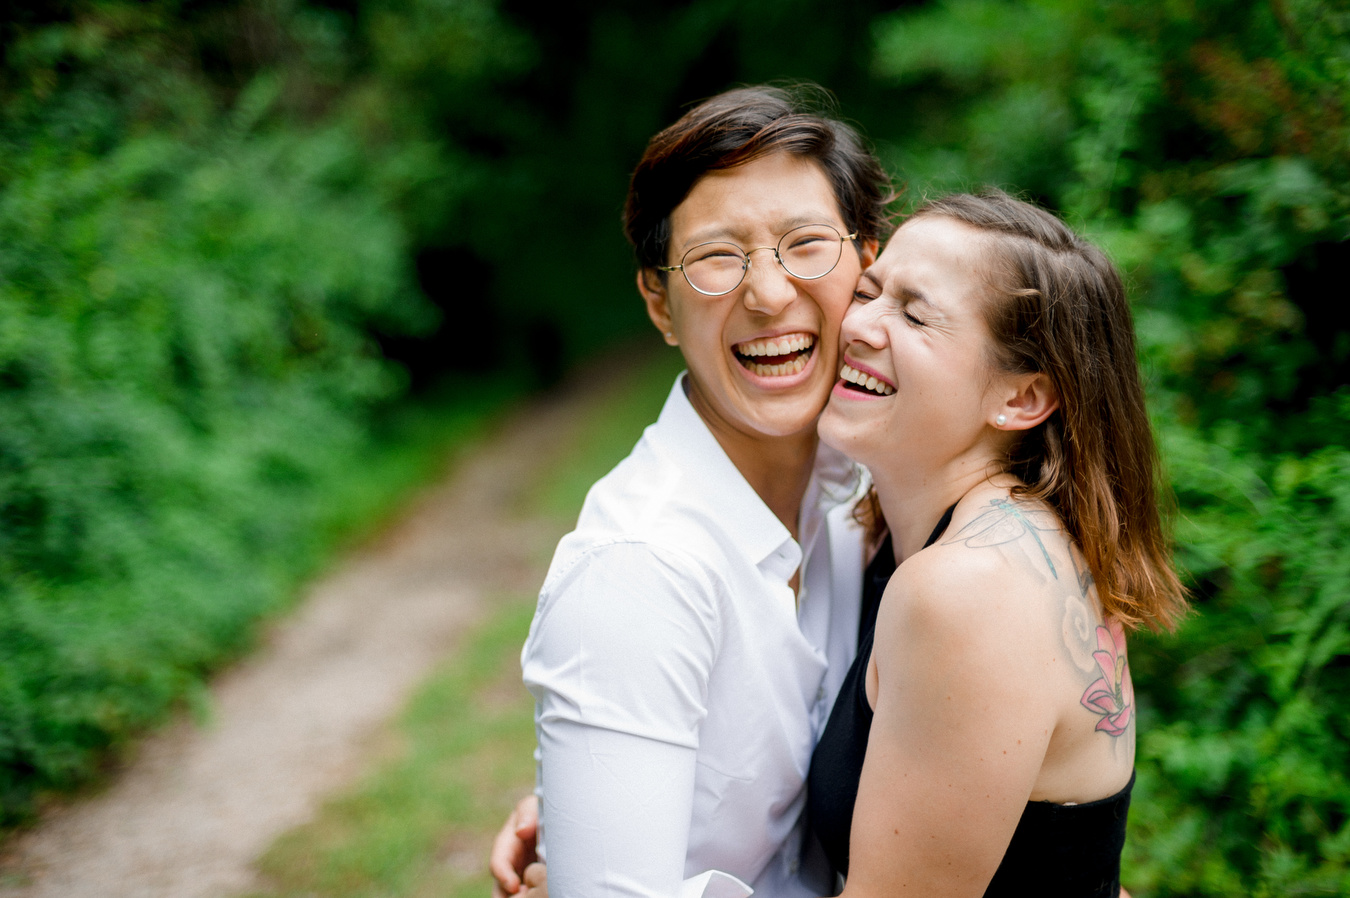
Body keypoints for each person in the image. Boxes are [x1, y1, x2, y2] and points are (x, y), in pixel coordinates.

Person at [493, 85, 893, 898]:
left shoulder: (877, 480)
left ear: (869, 266)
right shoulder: (638, 572)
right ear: (658, 303)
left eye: (806, 243)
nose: (769, 293)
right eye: (718, 257)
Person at [806, 189, 1187, 897]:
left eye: (915, 313)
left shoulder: (968, 591)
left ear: (1020, 398)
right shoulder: (939, 538)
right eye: (867, 290)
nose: (858, 324)